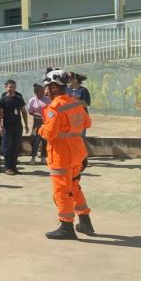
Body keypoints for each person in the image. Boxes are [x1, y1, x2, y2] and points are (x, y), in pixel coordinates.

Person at [40, 69, 95, 239]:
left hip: (61, 155)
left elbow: (49, 134)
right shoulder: (76, 103)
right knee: (74, 187)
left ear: (55, 87)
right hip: (77, 152)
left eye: (48, 87)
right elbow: (87, 123)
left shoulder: (55, 107)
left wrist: (40, 129)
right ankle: (85, 222)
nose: (46, 91)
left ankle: (66, 226)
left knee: (61, 190)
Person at [0, 80, 29, 175]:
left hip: (18, 127)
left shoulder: (19, 98)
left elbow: (24, 111)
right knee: (7, 148)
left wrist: (26, 124)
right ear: (6, 87)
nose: (11, 89)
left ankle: (14, 167)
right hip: (7, 127)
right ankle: (8, 167)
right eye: (10, 87)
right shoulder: (3, 99)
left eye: (13, 87)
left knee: (15, 147)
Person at [27, 83, 50, 164]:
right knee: (35, 140)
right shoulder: (32, 100)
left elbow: (51, 110)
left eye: (43, 91)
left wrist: (47, 116)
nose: (43, 92)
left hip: (47, 123)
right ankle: (33, 157)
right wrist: (41, 115)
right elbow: (30, 112)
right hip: (37, 122)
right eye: (41, 91)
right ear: (36, 92)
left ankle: (43, 157)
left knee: (45, 140)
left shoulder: (48, 99)